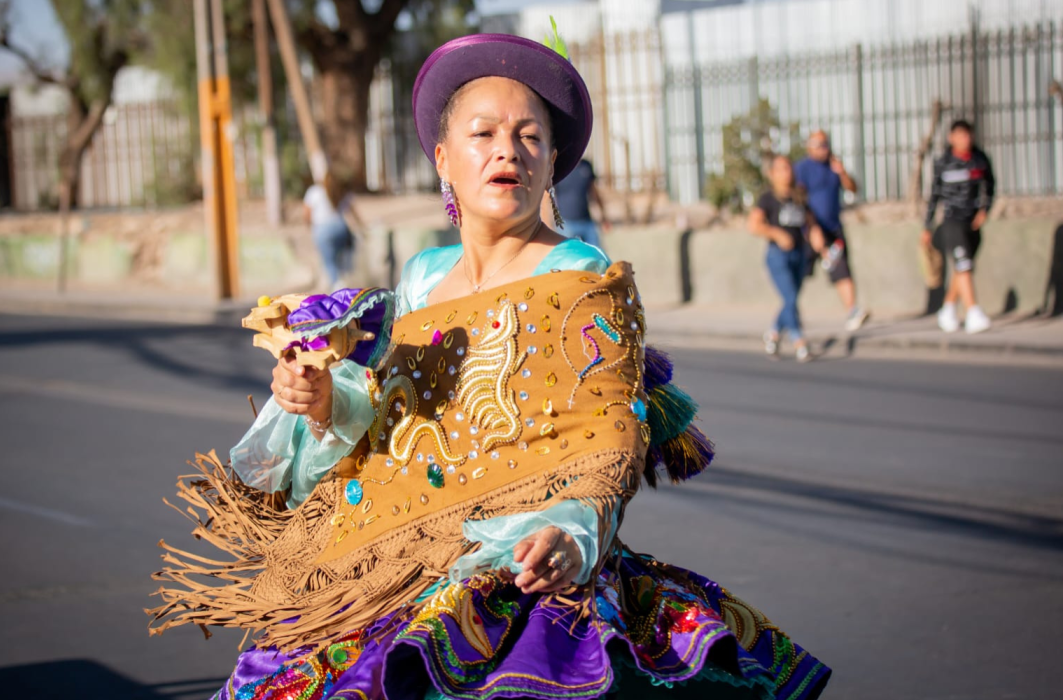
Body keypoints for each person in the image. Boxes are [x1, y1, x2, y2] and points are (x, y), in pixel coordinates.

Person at [149, 33, 830, 700]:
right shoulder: (419, 277)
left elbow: (610, 434)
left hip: (517, 568)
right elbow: (388, 421)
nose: (509, 148)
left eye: (530, 135)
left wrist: (572, 535)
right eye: (484, 134)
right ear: (444, 159)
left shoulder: (578, 273)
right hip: (393, 566)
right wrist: (322, 398)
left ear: (552, 160)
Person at [922, 119, 996, 334]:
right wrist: (927, 226)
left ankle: (947, 309)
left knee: (962, 267)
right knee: (963, 265)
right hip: (951, 223)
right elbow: (933, 196)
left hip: (971, 223)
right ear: (951, 138)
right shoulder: (943, 162)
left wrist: (985, 210)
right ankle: (973, 311)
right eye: (960, 135)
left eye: (968, 135)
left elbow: (990, 186)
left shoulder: (979, 159)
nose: (965, 139)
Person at [794, 130, 870, 332]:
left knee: (841, 269)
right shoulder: (802, 168)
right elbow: (798, 199)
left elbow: (853, 189)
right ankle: (790, 310)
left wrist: (842, 172)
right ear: (809, 146)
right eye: (819, 144)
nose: (823, 148)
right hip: (810, 230)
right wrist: (811, 228)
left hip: (833, 229)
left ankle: (852, 311)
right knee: (798, 272)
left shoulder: (834, 166)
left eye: (825, 144)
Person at [749, 155, 822, 362]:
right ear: (772, 174)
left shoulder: (798, 196)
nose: (786, 173)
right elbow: (753, 225)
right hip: (777, 256)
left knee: (791, 299)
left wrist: (817, 238)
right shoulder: (767, 199)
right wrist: (777, 234)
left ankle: (773, 333)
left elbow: (810, 221)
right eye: (781, 169)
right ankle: (799, 342)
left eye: (788, 168)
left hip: (800, 254)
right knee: (790, 297)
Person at [304, 171, 361, 290]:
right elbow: (352, 212)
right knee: (339, 258)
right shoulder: (341, 192)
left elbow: (307, 213)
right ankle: (344, 278)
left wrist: (310, 227)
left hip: (322, 230)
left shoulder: (315, 191)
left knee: (329, 261)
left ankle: (337, 286)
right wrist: (363, 227)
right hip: (341, 228)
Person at [552, 157, 609, 248]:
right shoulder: (560, 167)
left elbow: (594, 193)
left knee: (597, 256)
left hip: (586, 221)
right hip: (566, 223)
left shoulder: (586, 165)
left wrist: (603, 217)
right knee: (569, 257)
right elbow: (549, 196)